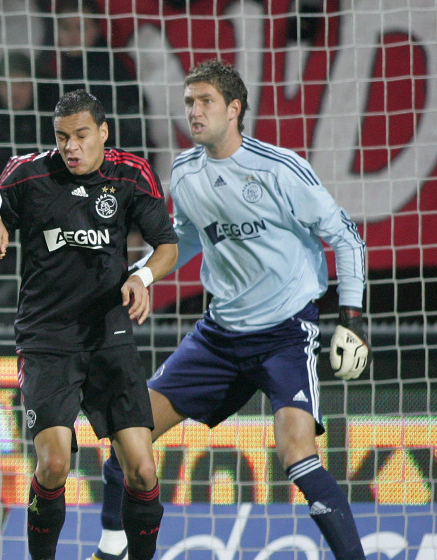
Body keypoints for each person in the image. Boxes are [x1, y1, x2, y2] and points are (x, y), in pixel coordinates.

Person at [89, 59, 369, 560]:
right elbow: (188, 237)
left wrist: (352, 318)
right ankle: (110, 552)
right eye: (189, 103)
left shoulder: (280, 169)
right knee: (128, 435)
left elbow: (345, 238)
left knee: (296, 453)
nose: (194, 112)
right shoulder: (186, 171)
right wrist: (141, 273)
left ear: (234, 109)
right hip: (218, 338)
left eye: (205, 103)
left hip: (284, 333)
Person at [0, 89, 179, 560]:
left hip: (111, 337)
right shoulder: (26, 172)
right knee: (53, 464)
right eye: (62, 136)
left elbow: (166, 245)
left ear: (103, 134)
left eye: (81, 135)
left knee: (143, 472)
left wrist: (141, 276)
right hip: (47, 340)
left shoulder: (131, 174)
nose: (71, 146)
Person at [35, 0, 152, 161]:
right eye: (66, 28)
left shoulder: (108, 71)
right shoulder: (66, 69)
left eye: (81, 28)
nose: (73, 36)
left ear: (97, 29)